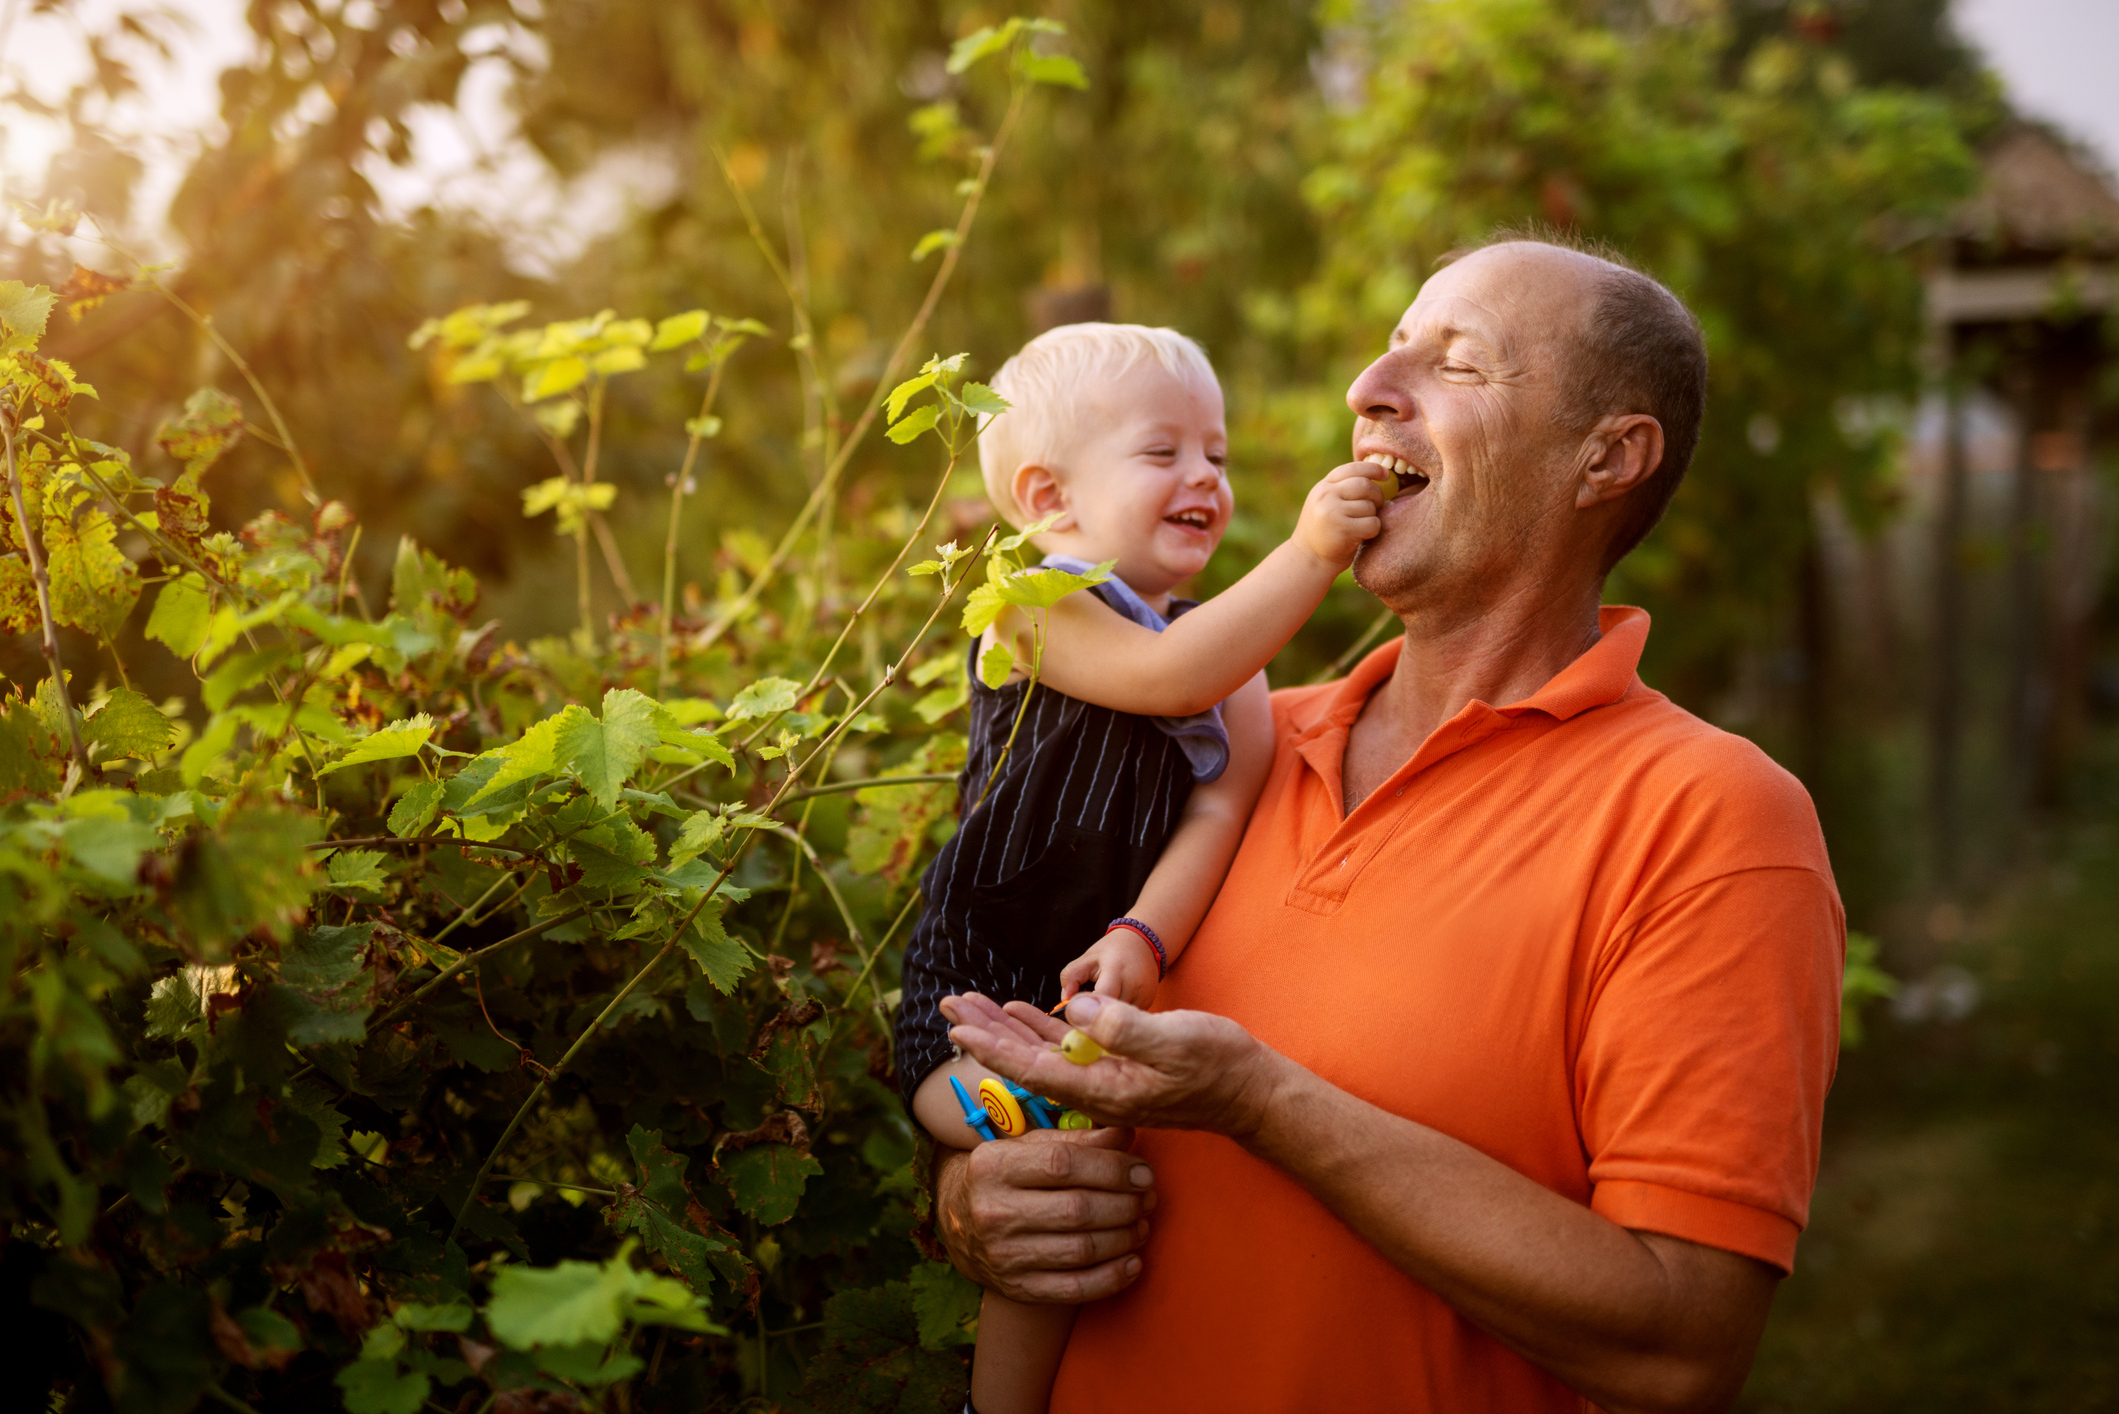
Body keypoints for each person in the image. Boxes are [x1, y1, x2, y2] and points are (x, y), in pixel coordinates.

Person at [934, 238, 1847, 1414]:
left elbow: (1679, 1344)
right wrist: (978, 1205)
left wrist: (1264, 1102)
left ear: (1606, 458)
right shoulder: (1212, 754)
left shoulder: (1712, 822)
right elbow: (1011, 1056)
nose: (1370, 384)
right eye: (1393, 341)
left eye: (1455, 362)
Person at [895, 322, 1393, 1414]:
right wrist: (1310, 553)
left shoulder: (1226, 656)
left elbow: (1218, 807)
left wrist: (1143, 935)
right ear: (1049, 496)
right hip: (979, 977)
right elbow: (1170, 678)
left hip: (1095, 985)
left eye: (1214, 453)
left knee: (1088, 1167)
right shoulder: (1027, 599)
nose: (1204, 476)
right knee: (1043, 1165)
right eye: (1162, 451)